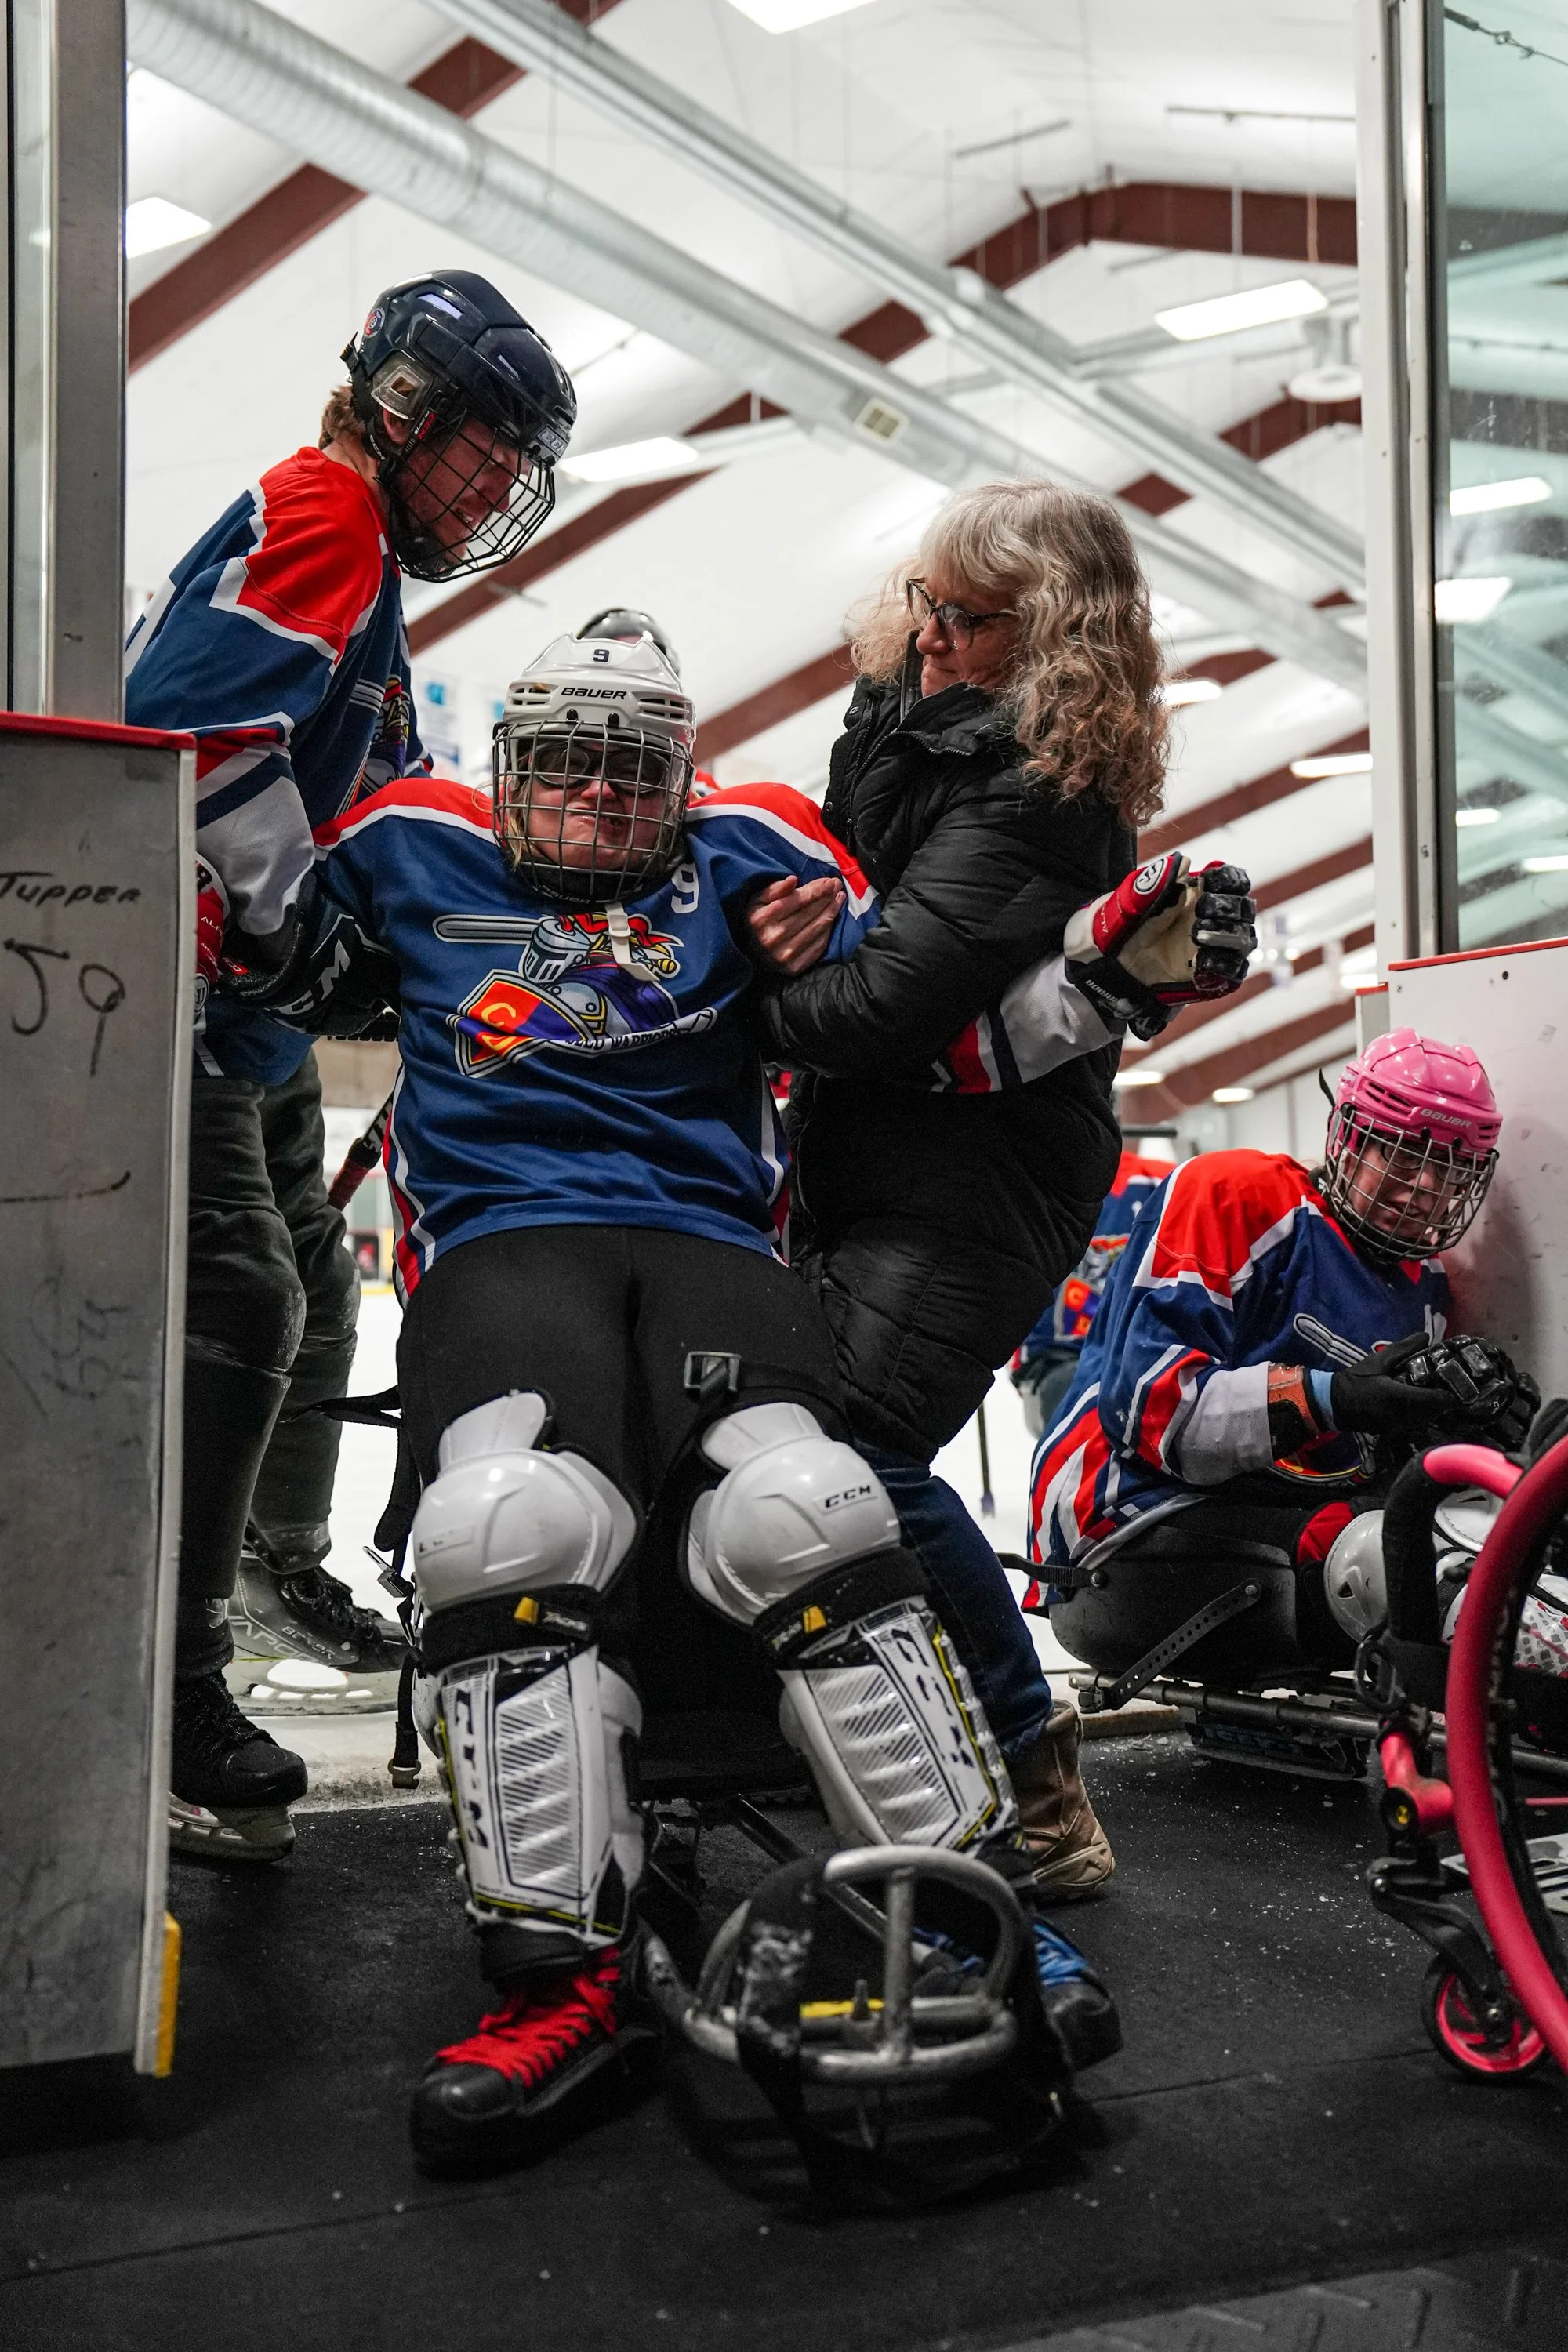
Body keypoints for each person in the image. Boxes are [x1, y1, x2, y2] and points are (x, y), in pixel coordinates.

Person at [216, 622, 1123, 2171]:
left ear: (679, 779)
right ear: (508, 762)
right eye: (558, 765)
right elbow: (271, 944)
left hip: (710, 1245)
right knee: (510, 1524)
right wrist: (222, 880)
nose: (585, 801)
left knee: (810, 1510)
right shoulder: (409, 836)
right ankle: (557, 1986)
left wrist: (1098, 980)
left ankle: (977, 1921)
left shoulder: (764, 841)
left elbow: (897, 1014)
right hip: (502, 1248)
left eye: (624, 773)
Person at [744, 479, 1255, 1900]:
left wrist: (736, 988)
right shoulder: (917, 733)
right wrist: (790, 926)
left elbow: (878, 1003)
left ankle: (1034, 1774)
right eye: (924, 603)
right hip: (881, 1152)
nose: (928, 637)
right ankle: (923, 1743)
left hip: (976, 1180)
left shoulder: (1043, 791)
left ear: (1049, 637)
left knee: (855, 1457)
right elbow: (836, 904)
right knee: (805, 1443)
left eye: (964, 619)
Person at [125, 270, 577, 1860]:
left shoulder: (367, 557)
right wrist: (278, 925)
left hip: (228, 1010)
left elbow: (356, 794)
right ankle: (167, 1689)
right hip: (169, 989)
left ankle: (267, 1566)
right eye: (482, 452)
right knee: (243, 1299)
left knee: (304, 1278)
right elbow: (195, 733)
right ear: (405, 413)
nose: (496, 489)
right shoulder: (328, 508)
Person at [1028, 1029, 1537, 1657]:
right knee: (1373, 1556)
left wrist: (1466, 1424)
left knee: (1483, 1538)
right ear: (1349, 1138)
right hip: (1127, 1518)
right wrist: (1337, 1397)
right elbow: (1152, 1414)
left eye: (1448, 1170)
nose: (1422, 1190)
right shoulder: (1231, 1193)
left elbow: (1366, 1462)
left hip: (1272, 1509)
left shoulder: (1425, 1281)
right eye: (1403, 1156)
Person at [1011, 1149, 1174, 1437]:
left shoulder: (1166, 1181)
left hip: (1150, 1356)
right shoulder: (1029, 1184)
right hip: (1059, 1362)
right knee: (1088, 1425)